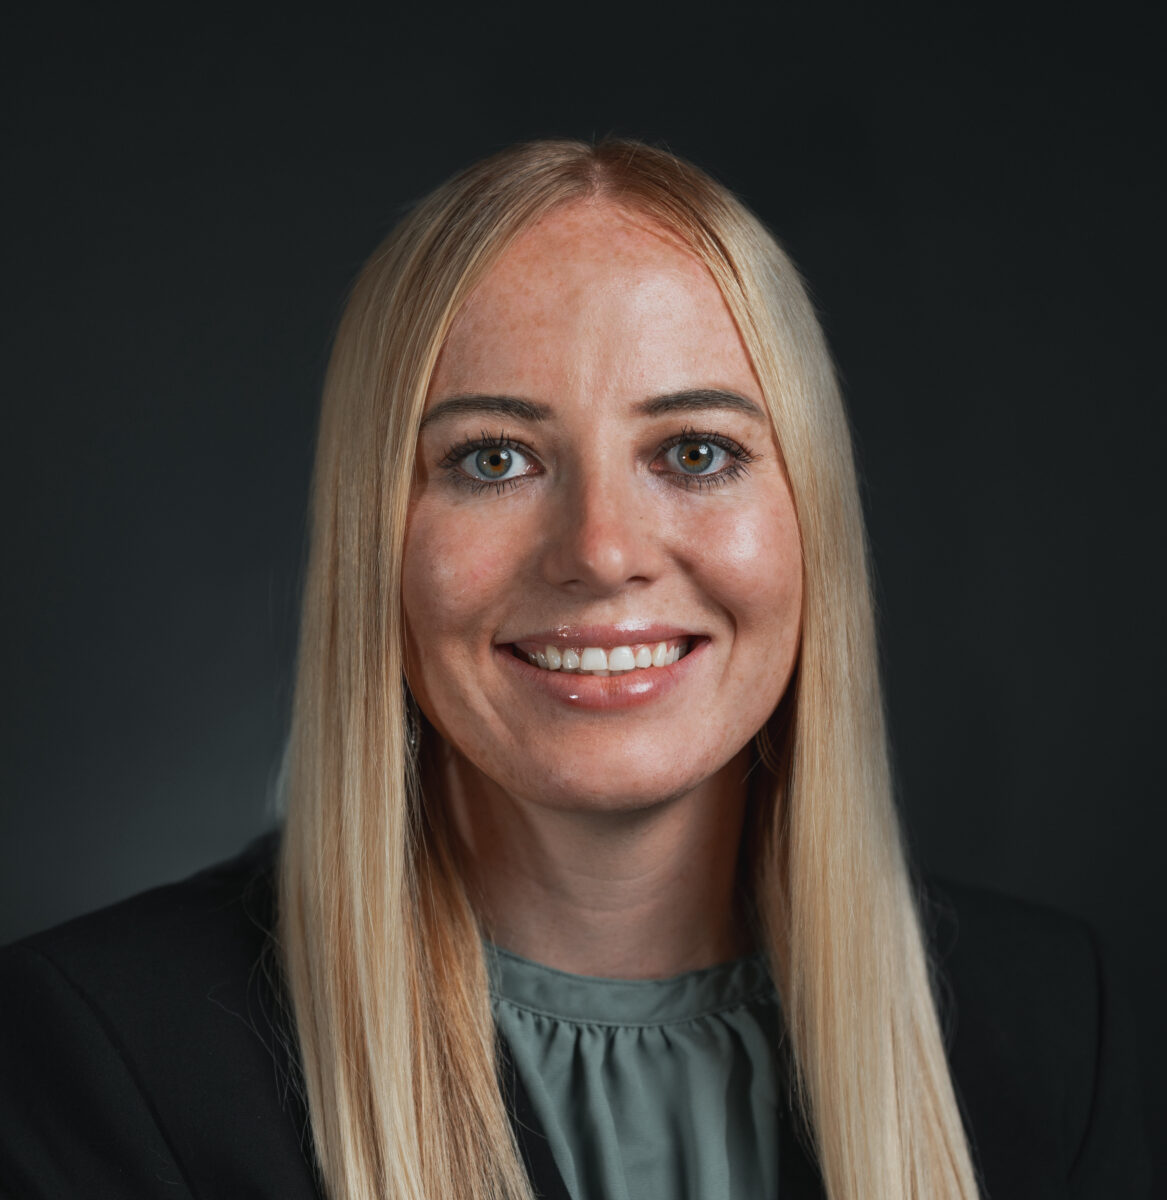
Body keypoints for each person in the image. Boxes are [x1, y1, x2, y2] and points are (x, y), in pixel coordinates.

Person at [0, 139, 1149, 1200]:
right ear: (375, 541)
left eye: (696, 452)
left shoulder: (1061, 1026)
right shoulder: (103, 1049)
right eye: (493, 459)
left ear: (813, 519)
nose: (600, 551)